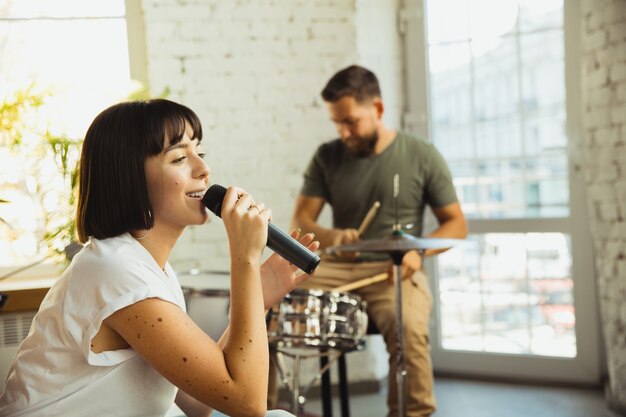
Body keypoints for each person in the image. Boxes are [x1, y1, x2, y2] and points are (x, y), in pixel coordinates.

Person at [0, 99, 318, 417]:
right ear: (131, 179)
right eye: (179, 157)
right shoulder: (115, 270)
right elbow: (246, 402)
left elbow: (200, 404)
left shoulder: (149, 268)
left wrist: (258, 296)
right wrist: (245, 258)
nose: (204, 169)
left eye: (199, 153)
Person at [290, 65, 467, 417]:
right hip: (338, 268)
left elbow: (456, 225)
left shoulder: (422, 155)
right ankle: (261, 409)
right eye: (336, 123)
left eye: (351, 121)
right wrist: (331, 235)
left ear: (378, 110)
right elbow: (301, 220)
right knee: (266, 302)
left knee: (409, 328)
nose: (343, 132)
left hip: (394, 271)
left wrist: (418, 251)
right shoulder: (328, 156)